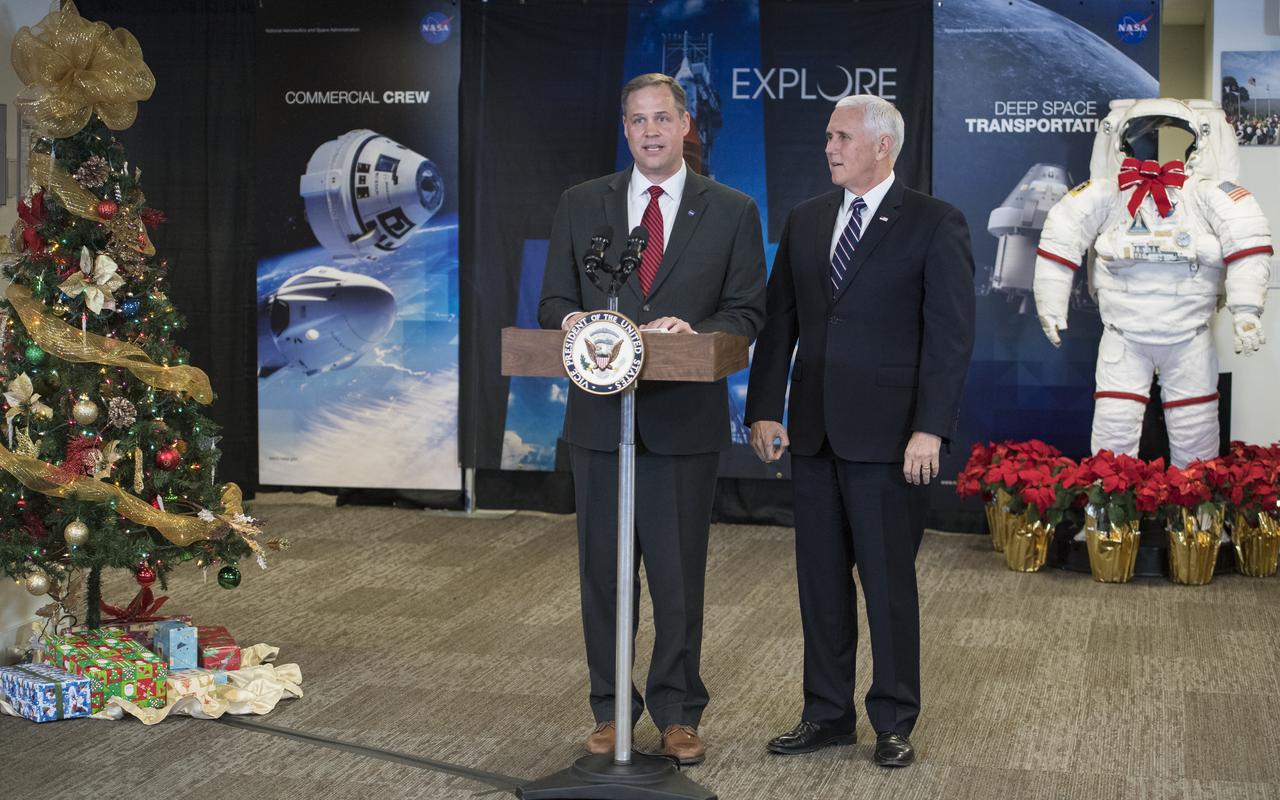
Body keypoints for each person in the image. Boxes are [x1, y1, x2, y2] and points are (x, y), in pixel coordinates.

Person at [538, 72, 766, 766]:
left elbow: (747, 313)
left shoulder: (731, 210)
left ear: (686, 124)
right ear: (625, 128)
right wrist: (578, 320)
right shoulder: (584, 205)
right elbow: (553, 305)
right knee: (604, 580)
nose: (650, 133)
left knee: (675, 578)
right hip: (601, 426)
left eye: (662, 119)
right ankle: (610, 711)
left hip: (680, 425)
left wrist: (689, 328)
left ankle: (676, 711)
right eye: (637, 121)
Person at [744, 94, 975, 768]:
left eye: (842, 137)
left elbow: (950, 339)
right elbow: (779, 322)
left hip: (892, 440)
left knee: (887, 583)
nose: (829, 148)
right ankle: (827, 714)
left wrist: (930, 429)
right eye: (827, 137)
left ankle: (894, 719)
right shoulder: (807, 219)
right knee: (819, 583)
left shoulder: (936, 223)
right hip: (812, 435)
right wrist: (764, 409)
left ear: (883, 146)